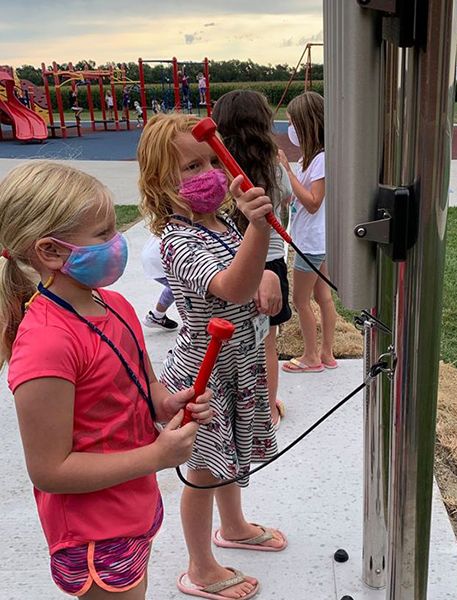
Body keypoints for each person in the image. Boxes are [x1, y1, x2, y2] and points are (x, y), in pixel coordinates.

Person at [0, 161, 214, 599]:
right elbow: (49, 470)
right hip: (93, 532)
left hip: (131, 505)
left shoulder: (114, 303)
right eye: (102, 234)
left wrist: (166, 403)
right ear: (50, 251)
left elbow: (144, 385)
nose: (117, 242)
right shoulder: (46, 344)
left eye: (114, 229)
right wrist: (157, 455)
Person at [138, 113, 287, 600]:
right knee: (202, 472)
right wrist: (260, 230)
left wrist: (266, 273)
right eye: (189, 167)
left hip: (236, 364)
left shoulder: (219, 221)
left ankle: (235, 526)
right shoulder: (176, 240)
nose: (207, 174)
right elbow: (230, 285)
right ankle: (200, 567)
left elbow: (244, 270)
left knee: (230, 457)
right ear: (159, 183)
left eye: (209, 160)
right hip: (203, 374)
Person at [212, 89, 292, 429]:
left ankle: (230, 410)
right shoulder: (274, 172)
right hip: (270, 263)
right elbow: (287, 202)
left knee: (231, 343)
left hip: (229, 263)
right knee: (267, 343)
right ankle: (267, 410)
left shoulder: (220, 172)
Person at [279, 91, 339, 374]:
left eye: (292, 123)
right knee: (322, 296)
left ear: (305, 123)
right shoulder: (310, 158)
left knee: (300, 300)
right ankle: (327, 353)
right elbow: (303, 198)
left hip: (311, 242)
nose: (289, 129)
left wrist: (286, 172)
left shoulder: (322, 159)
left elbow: (314, 202)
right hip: (315, 238)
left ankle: (311, 356)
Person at [141, 234, 179, 330]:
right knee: (181, 287)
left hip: (153, 255)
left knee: (175, 287)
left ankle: (156, 316)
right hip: (160, 260)